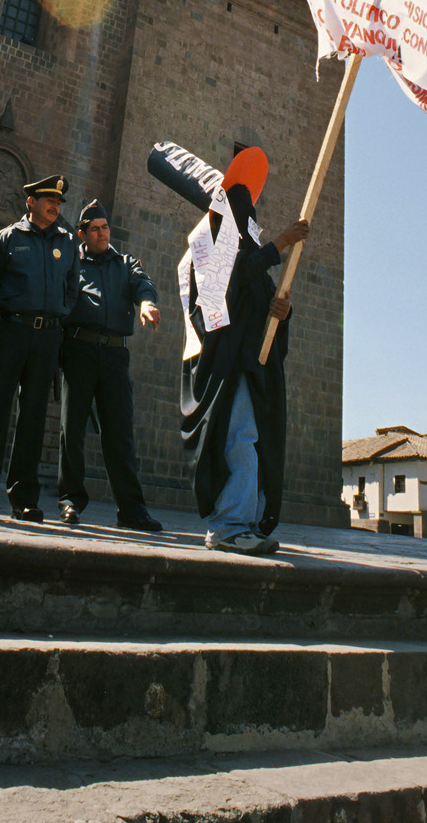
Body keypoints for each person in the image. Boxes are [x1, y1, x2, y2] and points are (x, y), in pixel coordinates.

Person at [179, 163, 310, 557]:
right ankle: (228, 526)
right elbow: (226, 289)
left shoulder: (251, 254)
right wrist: (281, 243)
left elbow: (264, 298)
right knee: (238, 439)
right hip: (224, 367)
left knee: (250, 440)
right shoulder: (209, 251)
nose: (249, 223)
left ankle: (244, 522)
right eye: (242, 215)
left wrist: (281, 313)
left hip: (253, 368)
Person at [0, 174, 80, 522]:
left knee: (33, 418)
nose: (54, 206)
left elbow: (72, 290)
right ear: (31, 202)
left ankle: (24, 499)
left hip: (46, 338)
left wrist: (59, 318)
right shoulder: (8, 238)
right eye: (48, 200)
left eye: (58, 202)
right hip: (10, 332)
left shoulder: (68, 243)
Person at [58, 199, 162, 532]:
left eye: (105, 228)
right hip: (79, 350)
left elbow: (143, 284)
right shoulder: (72, 262)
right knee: (71, 428)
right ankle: (71, 500)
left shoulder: (125, 263)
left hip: (115, 355)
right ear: (82, 234)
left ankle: (131, 510)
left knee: (119, 433)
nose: (102, 234)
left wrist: (147, 304)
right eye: (95, 230)